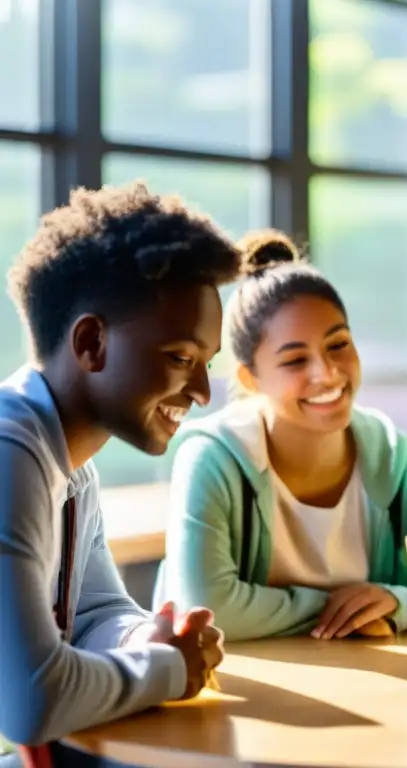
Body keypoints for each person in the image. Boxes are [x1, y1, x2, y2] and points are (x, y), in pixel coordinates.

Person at [0, 183, 233, 763]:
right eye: (182, 358)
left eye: (207, 364)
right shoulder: (9, 454)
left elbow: (96, 614)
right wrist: (169, 668)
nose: (202, 392)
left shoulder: (70, 463)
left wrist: (149, 637)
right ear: (91, 342)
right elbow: (31, 704)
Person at [155, 230, 407, 642]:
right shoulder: (212, 457)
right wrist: (343, 610)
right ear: (250, 378)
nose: (327, 373)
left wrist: (394, 602)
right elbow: (207, 608)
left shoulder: (397, 457)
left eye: (338, 345)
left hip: (367, 683)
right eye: (296, 359)